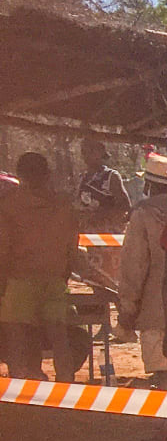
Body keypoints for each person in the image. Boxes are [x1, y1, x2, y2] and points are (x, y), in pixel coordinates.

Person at [0, 152, 81, 381]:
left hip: (19, 281)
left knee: (17, 338)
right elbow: (72, 247)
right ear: (47, 175)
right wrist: (63, 274)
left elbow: (3, 248)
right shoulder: (63, 205)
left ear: (20, 175)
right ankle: (67, 385)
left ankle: (19, 389)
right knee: (59, 337)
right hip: (55, 279)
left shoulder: (9, 206)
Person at [120, 152, 167, 379]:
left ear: (148, 184)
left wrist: (127, 308)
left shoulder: (142, 214)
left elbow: (134, 267)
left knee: (163, 376)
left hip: (155, 309)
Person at [75, 139, 129, 233]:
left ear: (100, 152)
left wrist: (101, 214)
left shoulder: (111, 176)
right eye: (84, 152)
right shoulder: (83, 178)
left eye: (91, 151)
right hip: (86, 234)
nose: (86, 156)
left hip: (107, 235)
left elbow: (124, 206)